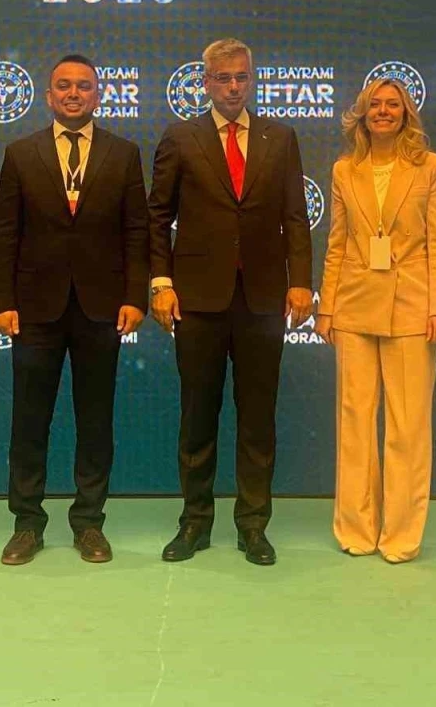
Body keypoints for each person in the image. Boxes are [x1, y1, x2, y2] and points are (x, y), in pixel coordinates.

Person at [148, 38, 314, 566]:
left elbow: (295, 215)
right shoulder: (181, 137)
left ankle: (253, 526)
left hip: (263, 298)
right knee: (198, 414)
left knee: (258, 417)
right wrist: (160, 283)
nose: (234, 86)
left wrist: (301, 281)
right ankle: (194, 523)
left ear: (251, 79)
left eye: (242, 76)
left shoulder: (280, 138)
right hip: (197, 298)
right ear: (206, 83)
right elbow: (157, 217)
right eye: (223, 78)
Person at [0, 54, 149, 565]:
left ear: (98, 95)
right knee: (29, 421)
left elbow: (137, 231)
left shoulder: (123, 154)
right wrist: (3, 301)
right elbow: (5, 233)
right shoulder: (21, 153)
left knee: (95, 421)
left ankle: (89, 524)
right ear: (49, 96)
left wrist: (135, 296)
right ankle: (26, 524)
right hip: (34, 310)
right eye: (64, 86)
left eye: (83, 86)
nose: (74, 93)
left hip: (101, 308)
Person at [314, 77, 436, 564]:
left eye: (393, 104)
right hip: (353, 305)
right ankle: (355, 527)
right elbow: (336, 243)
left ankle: (401, 533)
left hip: (413, 307)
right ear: (362, 113)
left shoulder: (430, 167)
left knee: (407, 425)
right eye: (375, 104)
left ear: (406, 113)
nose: (383, 111)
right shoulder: (343, 169)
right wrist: (326, 307)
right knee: (354, 419)